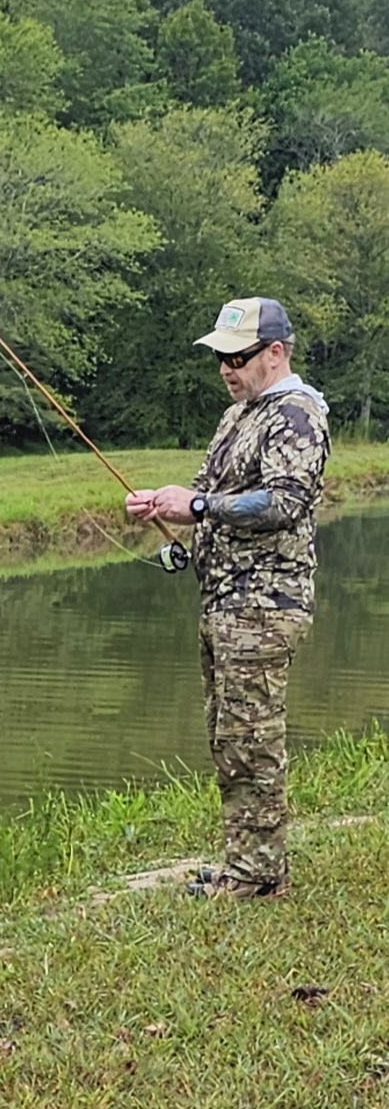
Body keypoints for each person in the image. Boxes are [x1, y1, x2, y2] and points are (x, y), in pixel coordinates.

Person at [125, 296, 330, 899]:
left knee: (251, 738)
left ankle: (259, 875)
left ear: (275, 352)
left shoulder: (295, 413)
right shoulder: (238, 414)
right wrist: (168, 506)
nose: (226, 368)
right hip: (225, 604)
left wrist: (200, 507)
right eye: (220, 357)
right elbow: (208, 495)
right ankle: (247, 861)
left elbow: (284, 502)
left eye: (237, 357)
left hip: (264, 606)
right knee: (229, 733)